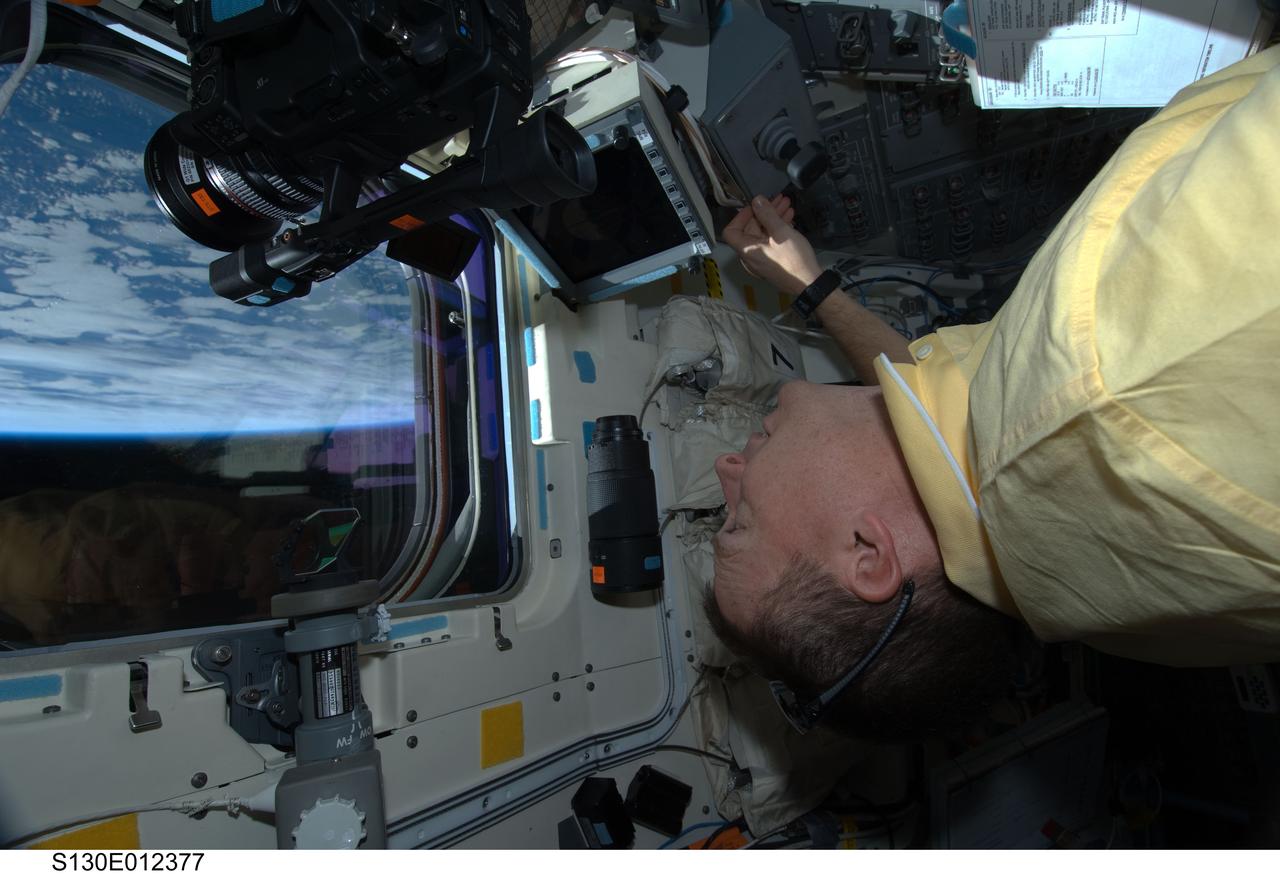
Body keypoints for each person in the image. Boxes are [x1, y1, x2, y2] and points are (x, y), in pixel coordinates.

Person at [706, 45, 1280, 740]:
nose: (727, 471)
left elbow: (938, 428)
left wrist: (814, 288)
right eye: (738, 524)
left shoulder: (1086, 598)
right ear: (868, 553)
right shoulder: (1112, 382)